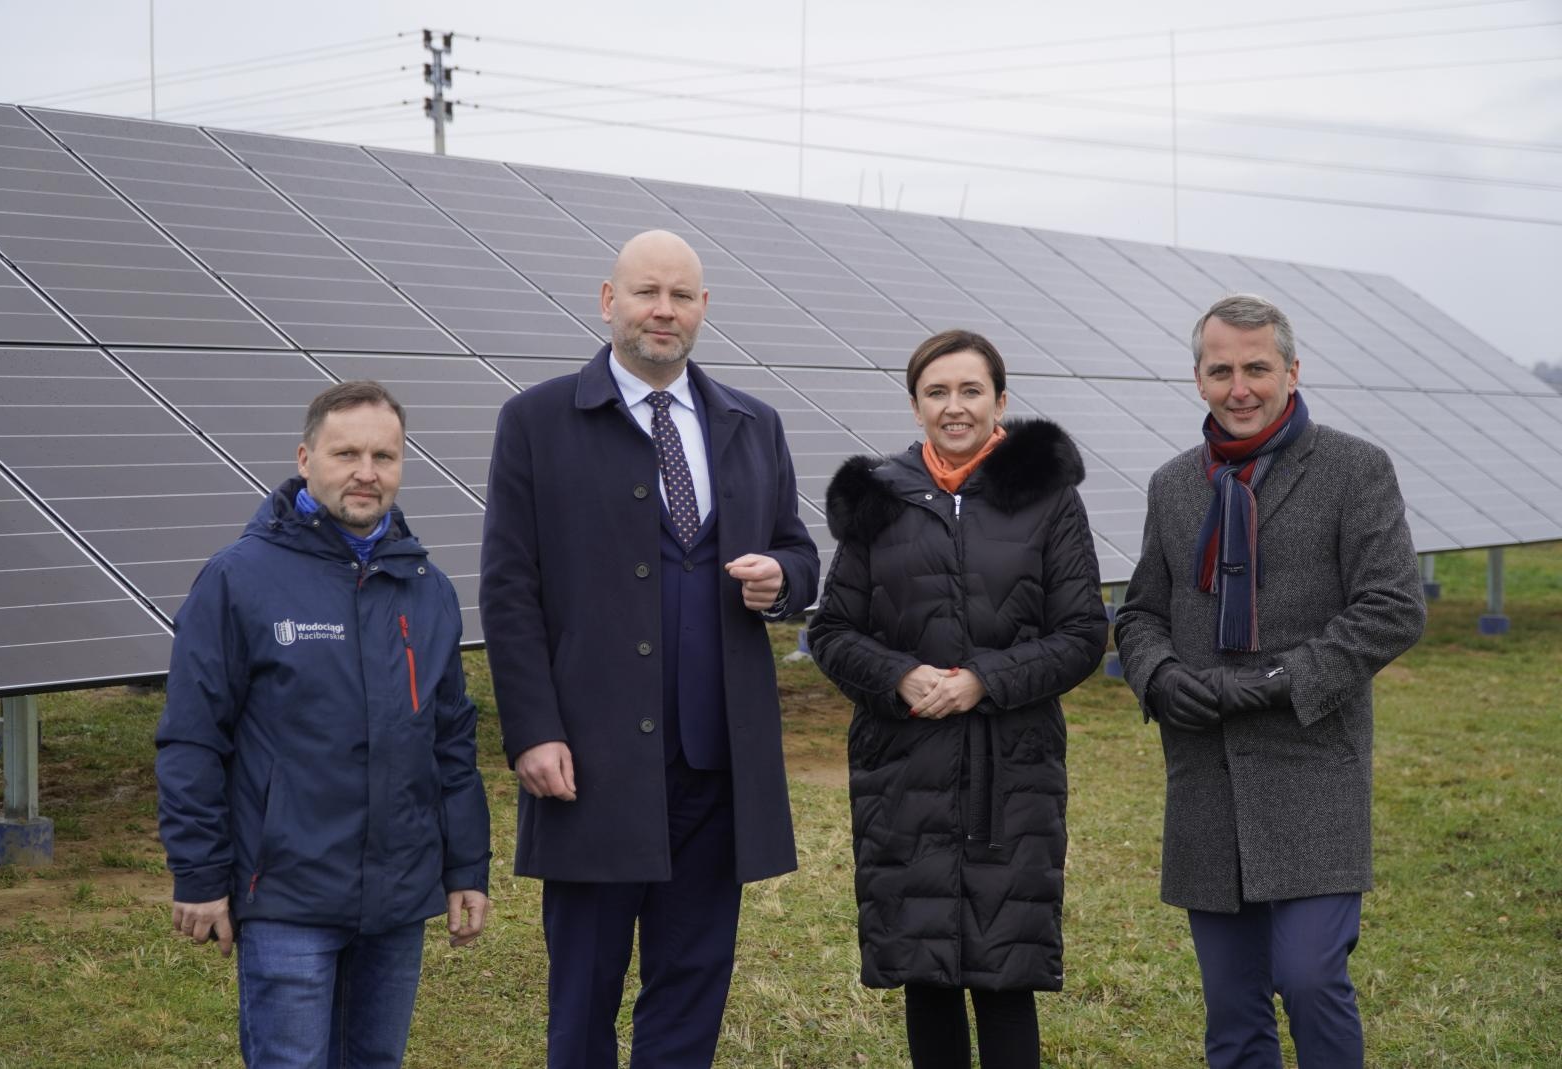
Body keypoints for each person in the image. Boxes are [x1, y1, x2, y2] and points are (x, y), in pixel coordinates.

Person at [479, 229, 820, 1069]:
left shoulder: (752, 424)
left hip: (716, 764)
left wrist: (783, 574)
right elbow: (508, 589)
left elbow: (799, 550)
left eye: (680, 295)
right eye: (645, 292)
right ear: (608, 301)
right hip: (590, 764)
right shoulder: (536, 421)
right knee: (585, 989)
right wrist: (533, 730)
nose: (662, 310)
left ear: (704, 309)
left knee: (692, 983)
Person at [1114, 293, 1426, 1069]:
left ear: (1292, 369)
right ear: (1198, 379)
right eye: (1221, 370)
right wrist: (1157, 676)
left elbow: (1393, 606)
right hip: (1206, 772)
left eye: (1257, 367)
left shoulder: (1355, 469)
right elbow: (1140, 610)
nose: (1240, 387)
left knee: (1311, 976)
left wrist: (1287, 679)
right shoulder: (1173, 484)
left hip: (1312, 763)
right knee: (1232, 1006)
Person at [155, 381, 492, 1069]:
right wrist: (199, 872)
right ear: (305, 458)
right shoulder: (239, 579)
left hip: (398, 900)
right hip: (287, 896)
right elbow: (192, 738)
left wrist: (465, 866)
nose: (366, 472)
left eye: (384, 455)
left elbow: (451, 742)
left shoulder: (426, 589)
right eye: (346, 453)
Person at [808, 329, 1109, 1069]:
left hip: (1013, 772)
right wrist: (899, 676)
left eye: (970, 390)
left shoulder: (1048, 499)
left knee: (1007, 973)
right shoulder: (878, 499)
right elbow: (833, 630)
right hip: (904, 771)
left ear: (1000, 400)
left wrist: (984, 679)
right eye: (936, 392)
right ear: (915, 405)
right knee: (926, 974)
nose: (954, 406)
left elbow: (1081, 634)